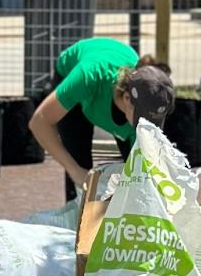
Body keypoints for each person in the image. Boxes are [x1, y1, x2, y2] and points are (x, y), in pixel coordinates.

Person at [30, 38, 175, 200]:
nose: (146, 125)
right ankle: (77, 219)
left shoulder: (147, 98)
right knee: (80, 167)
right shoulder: (87, 77)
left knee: (140, 177)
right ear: (127, 98)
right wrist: (75, 171)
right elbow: (39, 122)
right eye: (143, 119)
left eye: (153, 121)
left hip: (111, 80)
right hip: (77, 77)